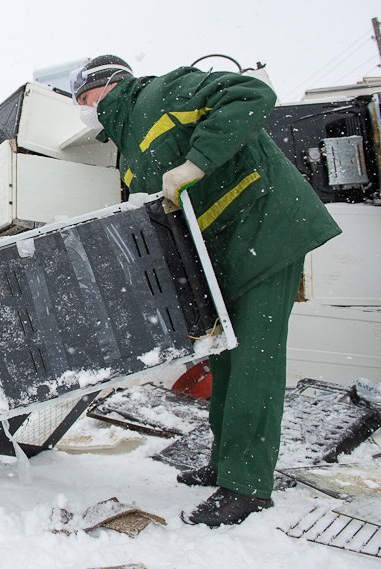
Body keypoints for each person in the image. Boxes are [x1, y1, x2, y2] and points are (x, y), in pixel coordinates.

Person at [69, 55, 341, 526]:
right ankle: (224, 463)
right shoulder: (126, 146)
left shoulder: (162, 93)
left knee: (254, 361)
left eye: (83, 98)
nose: (82, 109)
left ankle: (247, 486)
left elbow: (252, 95)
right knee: (226, 359)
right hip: (226, 253)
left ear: (108, 85)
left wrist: (196, 164)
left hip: (265, 230)